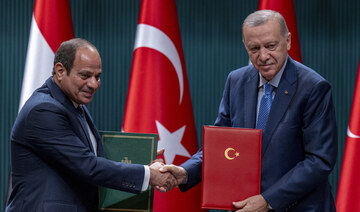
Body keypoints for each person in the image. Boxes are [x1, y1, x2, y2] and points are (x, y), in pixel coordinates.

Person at [161, 10, 338, 212]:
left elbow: (319, 161)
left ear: (287, 41)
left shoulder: (314, 87)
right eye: (254, 48)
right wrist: (185, 171)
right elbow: (221, 145)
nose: (263, 56)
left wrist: (267, 200)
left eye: (271, 46)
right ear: (245, 46)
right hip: (244, 206)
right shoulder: (236, 81)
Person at [6, 38, 175, 212]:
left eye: (98, 77)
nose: (94, 84)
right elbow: (87, 166)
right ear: (60, 71)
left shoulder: (74, 105)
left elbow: (84, 156)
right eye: (85, 75)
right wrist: (148, 174)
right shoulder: (43, 110)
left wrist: (140, 156)